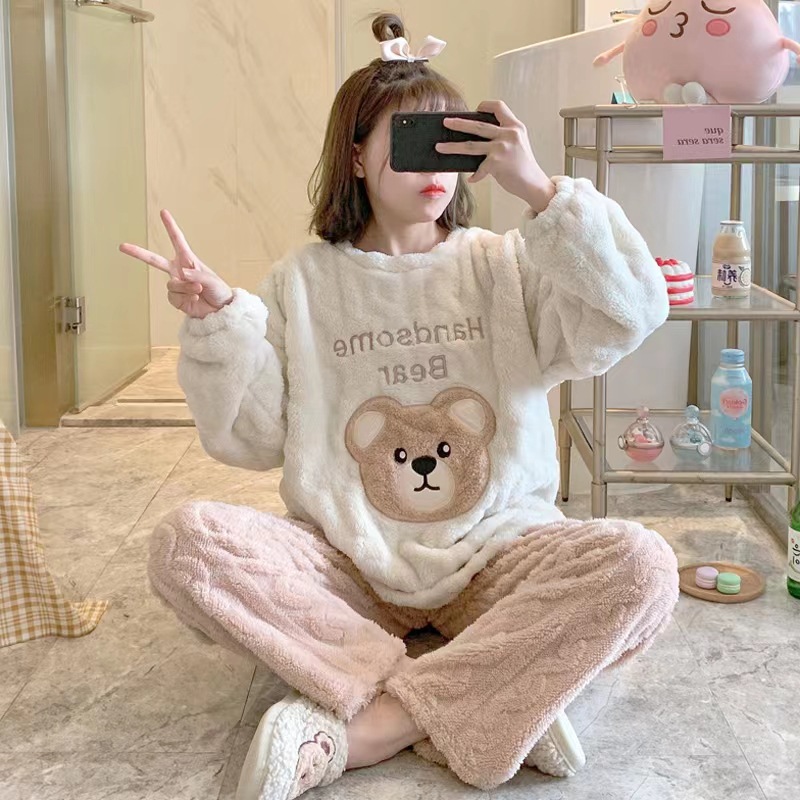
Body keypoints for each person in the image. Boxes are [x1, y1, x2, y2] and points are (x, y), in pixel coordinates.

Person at [121, 12, 679, 800]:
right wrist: (218, 322)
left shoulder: (509, 264)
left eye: (451, 138)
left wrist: (539, 190)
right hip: (350, 562)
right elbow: (252, 438)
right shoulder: (303, 281)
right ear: (356, 155)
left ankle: (374, 725)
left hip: (497, 557)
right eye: (412, 137)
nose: (435, 162)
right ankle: (493, 696)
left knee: (641, 567)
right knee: (187, 545)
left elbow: (632, 311)